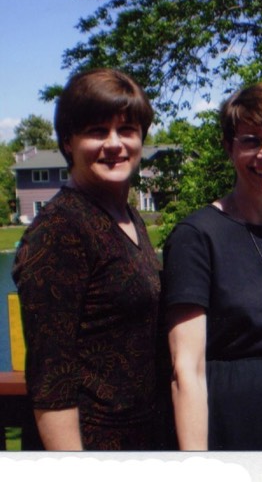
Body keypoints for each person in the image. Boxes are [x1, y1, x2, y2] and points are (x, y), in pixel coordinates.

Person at [12, 68, 161, 450]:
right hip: (91, 450)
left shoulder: (127, 217)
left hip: (138, 442)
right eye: (97, 131)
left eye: (126, 130)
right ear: (68, 142)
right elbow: (51, 378)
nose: (114, 144)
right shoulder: (59, 230)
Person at [162, 82, 262, 450]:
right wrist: (197, 465)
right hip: (221, 423)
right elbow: (186, 369)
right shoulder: (196, 237)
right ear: (229, 148)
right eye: (251, 141)